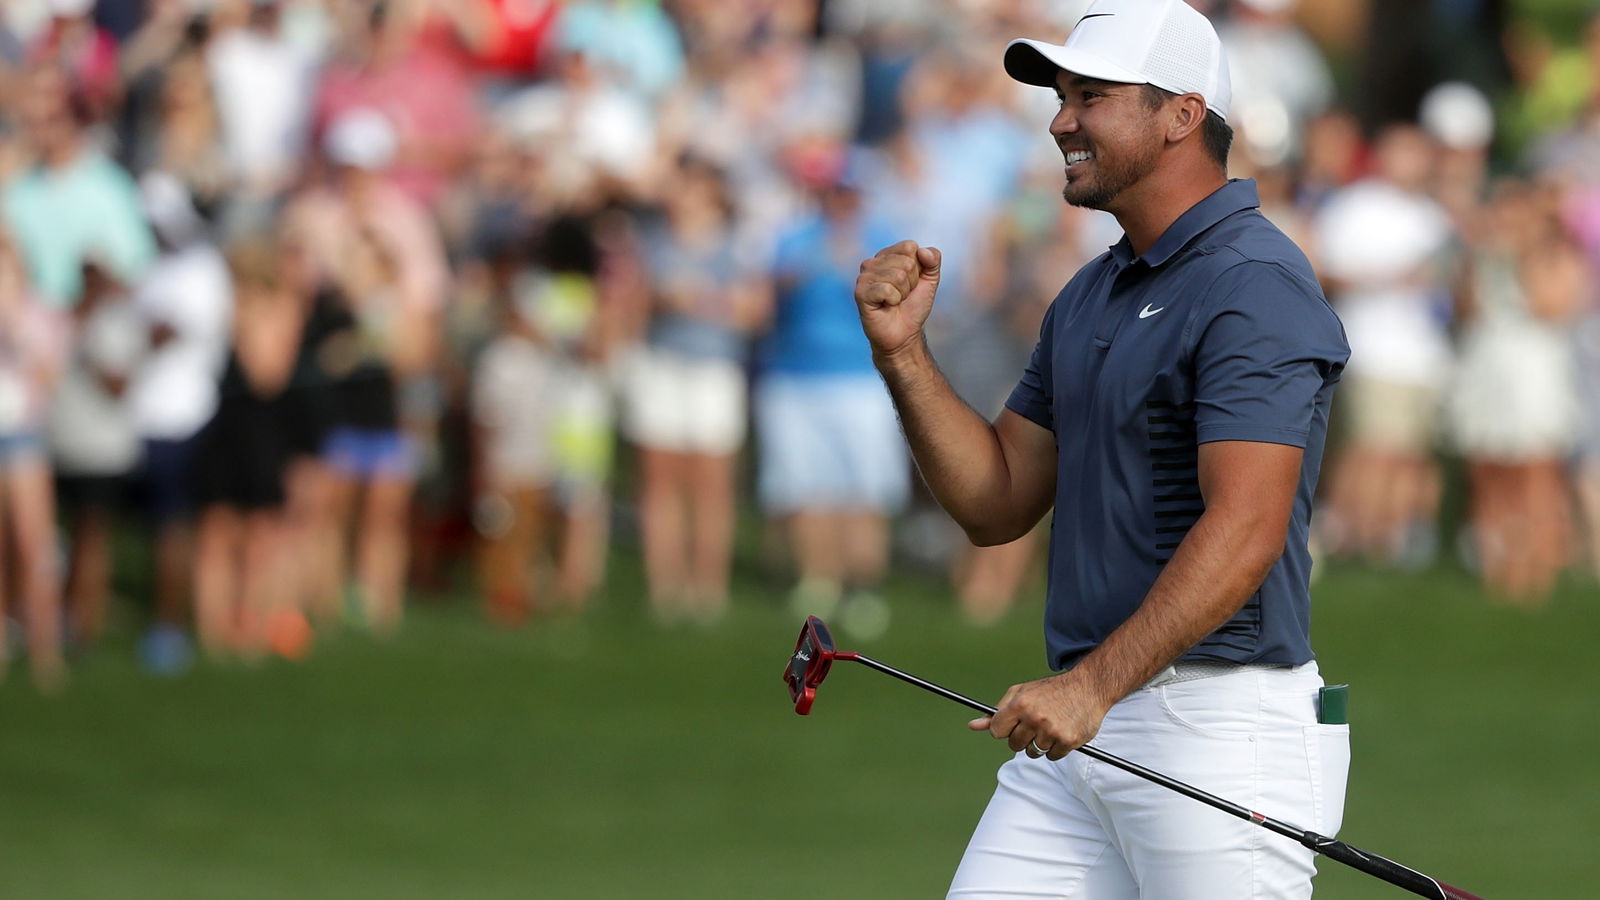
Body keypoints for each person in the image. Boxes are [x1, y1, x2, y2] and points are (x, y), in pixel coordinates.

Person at [851, 2, 1351, 897]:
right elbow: (997, 499)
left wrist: (1092, 688)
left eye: (1091, 96)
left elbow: (1247, 527)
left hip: (1217, 730)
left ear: (1181, 115)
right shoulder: (1092, 291)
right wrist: (904, 355)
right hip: (1084, 730)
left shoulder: (1256, 284)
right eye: (1061, 96)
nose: (1060, 120)